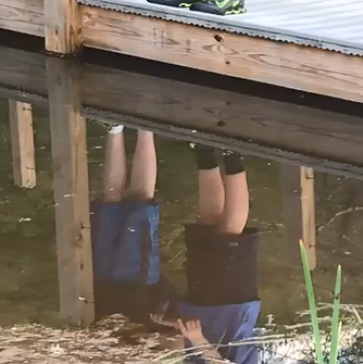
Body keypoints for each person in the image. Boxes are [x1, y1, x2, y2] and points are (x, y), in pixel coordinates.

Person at [163, 146, 261, 363]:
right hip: (230, 308)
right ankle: (232, 153)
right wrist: (198, 339)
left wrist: (175, 325)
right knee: (229, 231)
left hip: (202, 308)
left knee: (207, 222)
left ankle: (203, 150)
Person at [91, 126, 169, 323]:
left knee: (111, 200)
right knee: (142, 198)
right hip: (140, 283)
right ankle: (145, 128)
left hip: (102, 282)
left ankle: (114, 129)